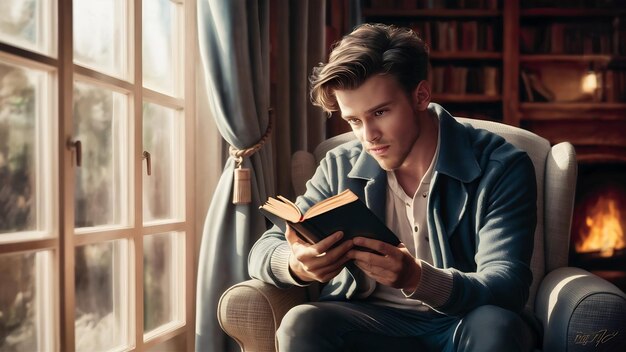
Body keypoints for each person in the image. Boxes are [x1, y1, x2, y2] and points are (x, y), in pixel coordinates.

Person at [248, 23, 538, 351]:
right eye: (355, 120)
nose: (368, 136)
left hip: (462, 321)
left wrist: (417, 279)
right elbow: (264, 248)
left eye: (380, 112)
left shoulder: (500, 166)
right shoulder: (339, 165)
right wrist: (296, 263)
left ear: (421, 96)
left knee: (496, 325)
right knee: (301, 322)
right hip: (370, 320)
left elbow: (507, 285)